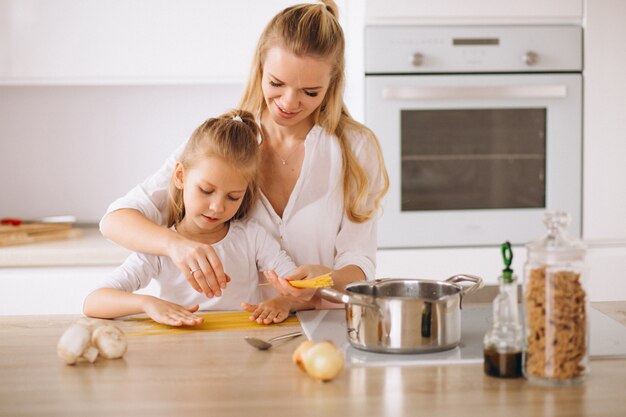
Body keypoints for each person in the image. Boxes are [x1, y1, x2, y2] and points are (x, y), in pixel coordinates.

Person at [99, 0, 389, 320]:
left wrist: (325, 279)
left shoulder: (356, 149)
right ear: (260, 68)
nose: (289, 103)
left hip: (327, 327)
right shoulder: (226, 141)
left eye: (309, 91)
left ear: (332, 85)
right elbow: (115, 220)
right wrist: (175, 246)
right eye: (276, 83)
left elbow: (361, 263)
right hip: (245, 332)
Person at [84, 111, 299, 326]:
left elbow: (304, 289)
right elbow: (93, 302)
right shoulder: (160, 249)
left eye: (233, 197)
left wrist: (284, 302)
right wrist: (147, 303)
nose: (217, 207)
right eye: (206, 190)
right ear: (180, 176)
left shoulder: (252, 237)